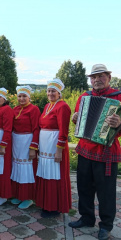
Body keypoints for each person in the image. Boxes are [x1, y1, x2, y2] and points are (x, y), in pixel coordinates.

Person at [69, 64, 121, 240]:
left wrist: (120, 125)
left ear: (109, 78)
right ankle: (86, 218)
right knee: (83, 187)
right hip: (84, 149)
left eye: (101, 76)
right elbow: (79, 119)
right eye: (93, 77)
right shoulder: (85, 96)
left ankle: (106, 226)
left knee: (106, 191)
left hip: (107, 151)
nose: (97, 80)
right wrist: (75, 119)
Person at [35, 79, 72, 218]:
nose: (50, 93)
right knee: (46, 173)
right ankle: (46, 203)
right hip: (45, 147)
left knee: (54, 175)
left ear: (59, 93)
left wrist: (59, 150)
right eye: (49, 91)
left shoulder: (62, 107)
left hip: (54, 147)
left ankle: (54, 207)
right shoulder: (47, 106)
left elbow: (64, 130)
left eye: (53, 91)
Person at [11, 86, 40, 209]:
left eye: (24, 96)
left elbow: (36, 129)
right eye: (19, 96)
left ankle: (28, 197)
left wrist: (33, 147)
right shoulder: (15, 109)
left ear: (29, 97)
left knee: (26, 170)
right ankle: (18, 195)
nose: (21, 98)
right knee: (17, 168)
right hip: (16, 142)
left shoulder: (34, 109)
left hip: (27, 141)